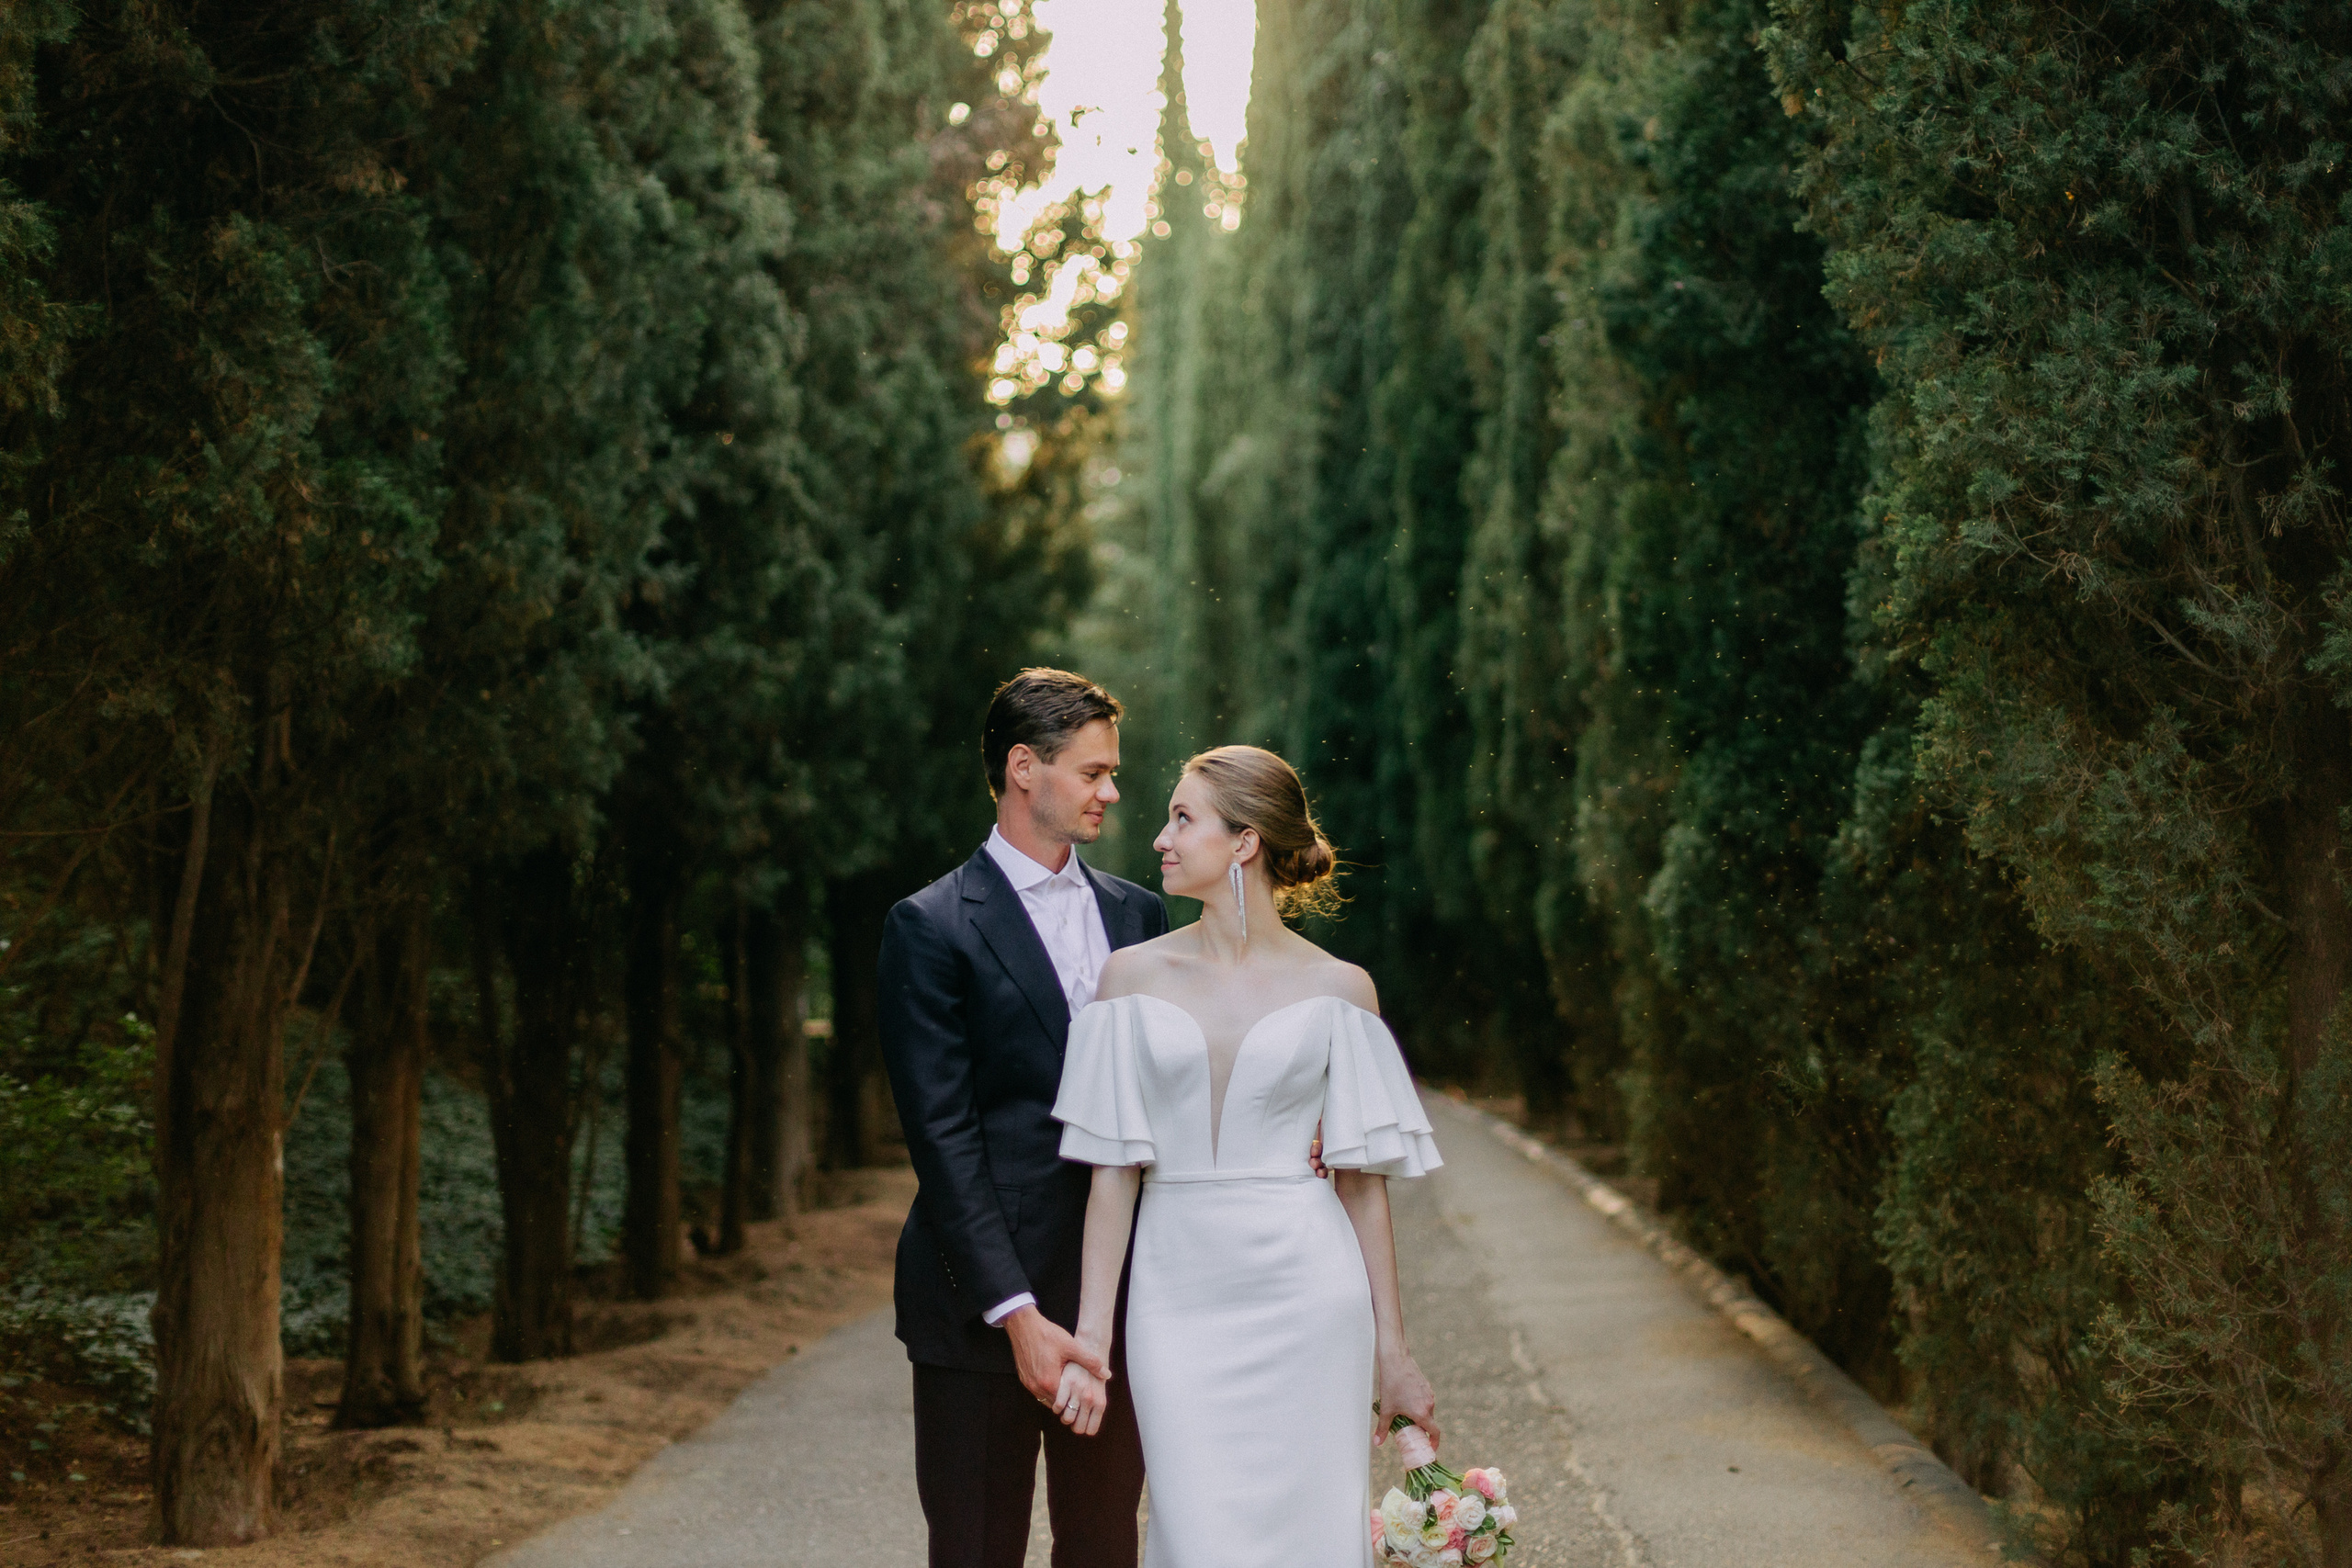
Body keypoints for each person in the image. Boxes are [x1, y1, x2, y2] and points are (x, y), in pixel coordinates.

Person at [1046, 744, 1443, 1568]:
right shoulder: (1128, 979)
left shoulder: (1342, 989)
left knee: (1312, 1538)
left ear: (1245, 841)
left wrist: (1395, 1355)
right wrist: (1091, 1341)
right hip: (1173, 1296)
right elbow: (1113, 1175)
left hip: (1309, 1298)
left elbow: (1361, 1186)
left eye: (1182, 818)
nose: (1160, 837)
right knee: (1195, 1533)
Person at [876, 669, 1163, 1568]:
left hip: (1114, 1308)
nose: (1111, 792)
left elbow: (1165, 1097)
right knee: (976, 1552)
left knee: (1103, 1549)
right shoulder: (929, 927)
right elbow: (943, 1138)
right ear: (1023, 768)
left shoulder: (1140, 915)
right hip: (978, 1315)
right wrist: (1018, 1314)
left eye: (1113, 773)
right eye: (1093, 772)